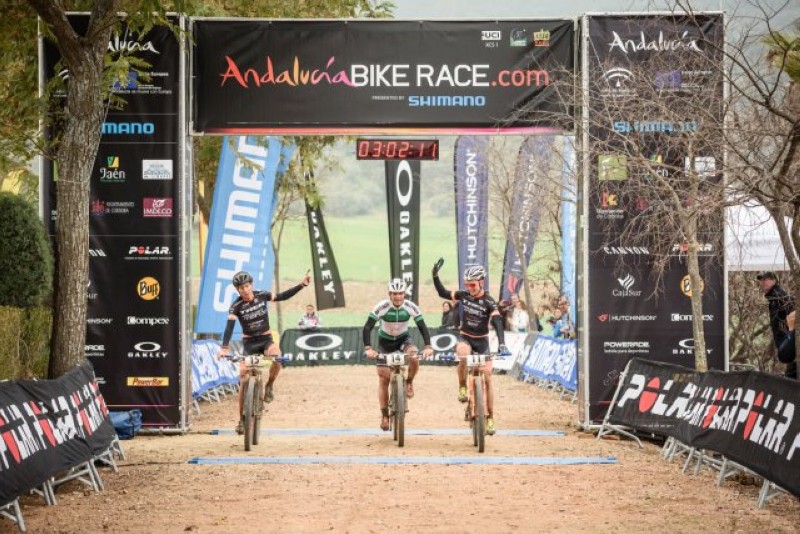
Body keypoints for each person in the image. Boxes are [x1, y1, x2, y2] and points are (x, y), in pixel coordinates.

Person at [218, 270, 311, 434]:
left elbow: (282, 296)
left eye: (246, 286)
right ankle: (241, 420)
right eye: (240, 288)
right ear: (237, 290)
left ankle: (269, 385)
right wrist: (224, 347)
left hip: (265, 340)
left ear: (251, 285)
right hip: (249, 344)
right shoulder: (236, 306)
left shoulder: (262, 295)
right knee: (243, 375)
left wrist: (301, 285)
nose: (245, 290)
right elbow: (229, 327)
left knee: (277, 355)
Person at [432, 259, 510, 436]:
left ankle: (490, 417)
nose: (470, 288)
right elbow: (442, 292)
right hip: (465, 337)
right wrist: (435, 276)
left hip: (482, 341)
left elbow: (497, 321)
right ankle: (462, 386)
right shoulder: (463, 295)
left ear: (481, 282)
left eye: (473, 285)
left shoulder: (489, 301)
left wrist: (502, 343)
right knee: (463, 353)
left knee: (488, 377)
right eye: (467, 285)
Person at [363, 279, 434, 431]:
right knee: (383, 378)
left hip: (403, 339)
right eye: (395, 294)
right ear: (390, 294)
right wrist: (368, 348)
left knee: (414, 356)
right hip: (385, 342)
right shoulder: (382, 307)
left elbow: (422, 327)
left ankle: (409, 382)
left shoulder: (410, 306)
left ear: (404, 294)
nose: (398, 297)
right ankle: (384, 415)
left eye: (401, 293)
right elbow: (367, 327)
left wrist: (428, 346)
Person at [758, 271, 796, 379]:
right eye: (761, 279)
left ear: (774, 280)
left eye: (765, 279)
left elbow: (793, 313)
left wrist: (790, 333)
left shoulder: (779, 296)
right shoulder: (773, 297)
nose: (763, 282)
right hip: (785, 341)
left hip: (788, 339)